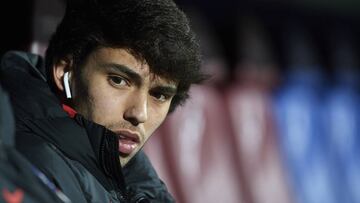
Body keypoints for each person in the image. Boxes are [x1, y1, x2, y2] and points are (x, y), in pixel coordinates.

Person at [0, 0, 205, 202]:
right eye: (118, 81)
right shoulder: (28, 165)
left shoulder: (140, 182)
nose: (139, 113)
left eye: (159, 95)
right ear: (65, 71)